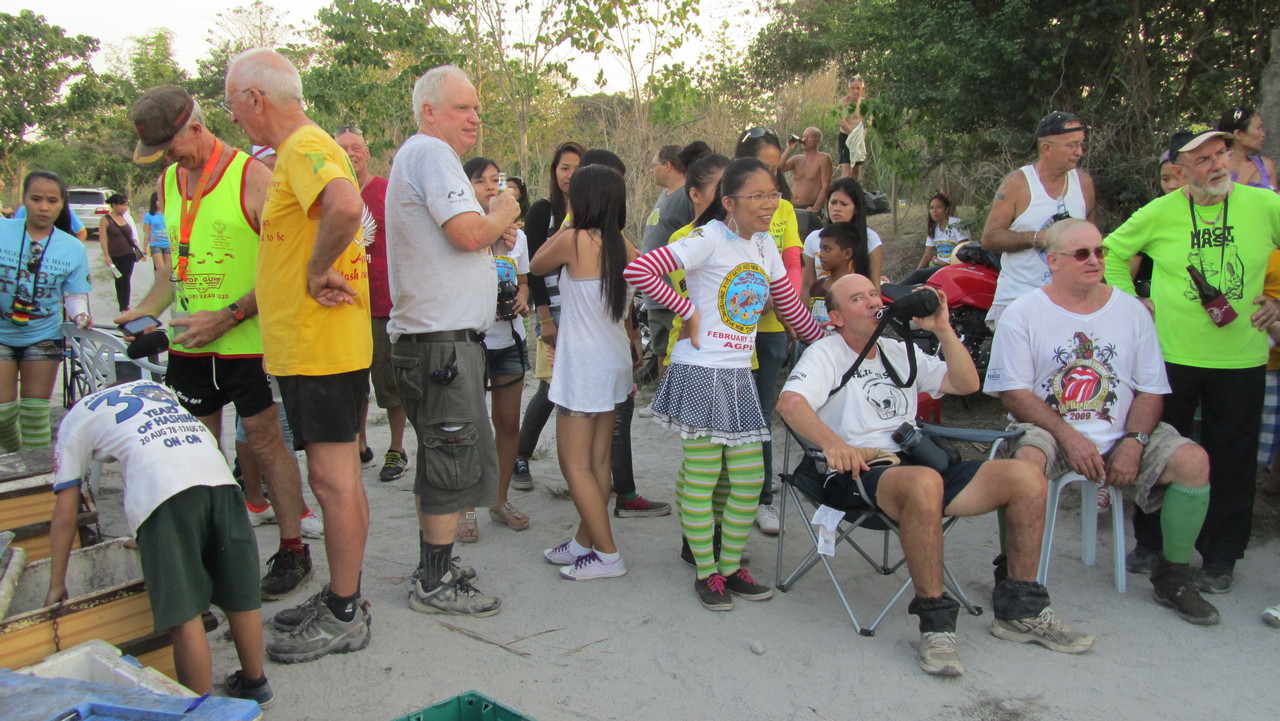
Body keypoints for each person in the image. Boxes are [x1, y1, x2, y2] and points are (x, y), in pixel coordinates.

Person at [778, 273, 1093, 676]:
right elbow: (791, 403)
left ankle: (1022, 610)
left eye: (874, 293)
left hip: (916, 462)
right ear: (836, 317)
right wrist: (834, 444)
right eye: (858, 298)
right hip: (858, 472)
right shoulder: (826, 353)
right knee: (925, 481)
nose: (873, 301)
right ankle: (936, 625)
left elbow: (966, 383)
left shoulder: (898, 349)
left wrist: (943, 329)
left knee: (1027, 478)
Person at [123, 84, 313, 603]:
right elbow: (175, 271)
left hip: (247, 342)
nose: (169, 160)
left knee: (266, 442)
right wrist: (145, 310)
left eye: (171, 148)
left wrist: (228, 317)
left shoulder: (252, 176)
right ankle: (211, 555)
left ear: (196, 127)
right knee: (197, 449)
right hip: (189, 345)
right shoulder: (168, 182)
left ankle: (293, 550)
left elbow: (286, 268)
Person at [986, 218, 1219, 625]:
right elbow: (1015, 394)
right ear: (1053, 261)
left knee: (1193, 461)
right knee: (1024, 466)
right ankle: (1013, 577)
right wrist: (1070, 436)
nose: (1094, 260)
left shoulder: (1131, 311)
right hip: (1049, 429)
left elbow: (1150, 389)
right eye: (1082, 253)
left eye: (1100, 251)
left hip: (1122, 429)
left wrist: (1135, 440)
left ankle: (1173, 577)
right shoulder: (1022, 313)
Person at [225, 48, 373, 661]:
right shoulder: (300, 149)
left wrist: (315, 272)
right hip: (317, 346)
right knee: (338, 481)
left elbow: (345, 205)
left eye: (233, 107)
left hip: (321, 347)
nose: (236, 119)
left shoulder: (305, 146)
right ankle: (344, 595)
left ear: (255, 98)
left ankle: (343, 611)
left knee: (332, 482)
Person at [625, 157, 825, 610]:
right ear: (729, 202)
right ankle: (706, 573)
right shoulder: (709, 237)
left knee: (750, 479)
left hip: (737, 375)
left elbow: (790, 308)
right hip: (701, 371)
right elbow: (639, 271)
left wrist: (831, 339)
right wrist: (687, 310)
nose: (769, 204)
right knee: (703, 477)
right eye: (758, 196)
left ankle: (730, 568)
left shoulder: (764, 246)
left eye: (773, 194)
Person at [1103, 125, 1280, 593]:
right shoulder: (1160, 211)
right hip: (1170, 358)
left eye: (1221, 154)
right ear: (1181, 171)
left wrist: (1279, 301)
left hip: (1240, 358)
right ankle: (1151, 543)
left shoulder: (1264, 204)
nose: (1218, 164)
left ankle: (1221, 557)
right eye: (1204, 160)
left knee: (1233, 460)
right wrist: (1131, 303)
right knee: (1160, 452)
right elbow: (1112, 253)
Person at [386, 64, 520, 618]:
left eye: (477, 108)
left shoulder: (423, 156)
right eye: (462, 107)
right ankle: (435, 582)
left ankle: (433, 565)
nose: (474, 118)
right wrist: (500, 212)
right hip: (439, 344)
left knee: (441, 456)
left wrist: (488, 223)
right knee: (448, 459)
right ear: (429, 112)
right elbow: (467, 234)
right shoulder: (431, 153)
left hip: (436, 341)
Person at [45, 381, 272, 704]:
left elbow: (65, 515)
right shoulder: (153, 389)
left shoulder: (76, 419)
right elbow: (164, 447)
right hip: (218, 476)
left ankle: (199, 707)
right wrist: (146, 539)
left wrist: (56, 583)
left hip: (163, 492)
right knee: (239, 594)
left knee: (185, 610)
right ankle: (255, 684)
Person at [533, 165, 637, 579]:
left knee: (574, 464)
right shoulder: (624, 244)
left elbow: (536, 264)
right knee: (597, 461)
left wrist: (568, 222)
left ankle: (608, 556)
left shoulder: (573, 240)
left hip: (584, 368)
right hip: (612, 362)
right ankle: (584, 542)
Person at [734, 127, 805, 535]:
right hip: (734, 328)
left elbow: (792, 262)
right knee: (732, 412)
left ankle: (762, 499)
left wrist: (784, 304)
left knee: (761, 411)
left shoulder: (785, 209)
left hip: (773, 326)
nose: (772, 179)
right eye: (764, 167)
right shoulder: (728, 208)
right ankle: (732, 493)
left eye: (777, 170)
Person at [458, 156, 531, 540]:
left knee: (507, 423)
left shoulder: (517, 237)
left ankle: (499, 501)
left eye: (494, 180)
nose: (489, 186)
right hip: (472, 343)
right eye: (479, 180)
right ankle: (465, 507)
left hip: (509, 340)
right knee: (469, 426)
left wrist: (523, 297)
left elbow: (524, 281)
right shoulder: (460, 233)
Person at [335, 125, 410, 483]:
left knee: (388, 381)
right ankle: (359, 445)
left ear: (366, 153)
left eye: (356, 147)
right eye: (342, 148)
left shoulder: (385, 191)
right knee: (351, 384)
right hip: (341, 305)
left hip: (382, 304)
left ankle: (397, 448)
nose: (350, 153)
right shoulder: (328, 193)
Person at [0, 170, 92, 452]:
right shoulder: (3, 230)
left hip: (44, 336)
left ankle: (36, 472)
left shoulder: (73, 248)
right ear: (23, 199)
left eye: (52, 201)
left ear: (62, 204)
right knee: (2, 415)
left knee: (35, 415)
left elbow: (74, 295)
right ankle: (18, 458)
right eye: (36, 199)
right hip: (1, 335)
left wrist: (80, 315)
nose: (43, 207)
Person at [514, 141, 583, 491]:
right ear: (554, 172)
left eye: (576, 168)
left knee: (579, 388)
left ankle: (582, 469)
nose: (569, 175)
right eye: (563, 168)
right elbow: (533, 267)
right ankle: (520, 456)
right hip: (553, 310)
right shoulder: (543, 210)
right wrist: (544, 316)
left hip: (584, 313)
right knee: (550, 386)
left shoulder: (591, 210)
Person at [983, 111, 1096, 327]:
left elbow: (1092, 242)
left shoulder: (1084, 184)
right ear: (1047, 148)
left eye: (1081, 144)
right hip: (1020, 297)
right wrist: (1037, 238)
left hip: (1069, 301)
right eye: (1072, 145)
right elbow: (990, 238)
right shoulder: (1017, 184)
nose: (1079, 152)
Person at [639, 143, 695, 389]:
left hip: (673, 294)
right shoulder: (665, 194)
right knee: (661, 352)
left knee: (678, 355)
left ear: (668, 165)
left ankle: (679, 401)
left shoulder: (687, 196)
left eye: (654, 165)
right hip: (654, 294)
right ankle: (664, 402)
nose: (652, 170)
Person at [801, 177, 883, 303]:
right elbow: (806, 286)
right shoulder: (813, 238)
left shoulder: (870, 239)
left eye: (844, 204)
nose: (837, 208)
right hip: (819, 309)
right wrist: (803, 315)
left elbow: (875, 286)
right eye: (833, 202)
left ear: (856, 208)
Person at [806, 222, 869, 328]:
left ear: (847, 254)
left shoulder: (857, 290)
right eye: (820, 249)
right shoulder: (816, 286)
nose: (820, 255)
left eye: (827, 249)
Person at [903, 194, 969, 285]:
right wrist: (916, 273)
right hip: (938, 267)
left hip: (954, 267)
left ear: (947, 209)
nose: (934, 211)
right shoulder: (933, 228)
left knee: (919, 275)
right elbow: (927, 256)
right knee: (917, 277)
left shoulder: (957, 224)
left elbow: (965, 251)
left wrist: (947, 263)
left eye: (939, 207)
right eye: (931, 208)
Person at [98, 193, 140, 312]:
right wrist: (106, 255)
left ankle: (125, 306)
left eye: (126, 205)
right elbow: (103, 238)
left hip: (128, 254)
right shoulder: (105, 220)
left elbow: (133, 233)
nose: (125, 207)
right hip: (114, 255)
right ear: (114, 205)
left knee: (126, 279)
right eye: (122, 205)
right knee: (118, 279)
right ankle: (122, 304)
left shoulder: (126, 217)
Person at [1219, 106, 1277, 190]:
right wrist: (1242, 179)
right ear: (1238, 134)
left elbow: (1274, 198)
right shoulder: (1218, 167)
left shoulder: (1266, 166)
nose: (1263, 134)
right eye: (1258, 128)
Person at [781, 126, 833, 214]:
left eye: (810, 137)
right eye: (804, 136)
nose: (805, 139)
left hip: (810, 207)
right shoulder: (796, 159)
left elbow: (826, 186)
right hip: (792, 207)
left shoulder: (823, 158)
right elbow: (779, 168)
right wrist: (788, 149)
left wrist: (816, 208)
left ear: (818, 141)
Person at [837, 75, 871, 180]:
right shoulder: (844, 102)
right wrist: (853, 133)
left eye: (858, 88)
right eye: (852, 88)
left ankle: (853, 190)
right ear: (849, 89)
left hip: (859, 139)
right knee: (847, 173)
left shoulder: (865, 103)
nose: (855, 91)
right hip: (846, 137)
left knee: (856, 174)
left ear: (863, 89)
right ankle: (842, 189)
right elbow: (841, 121)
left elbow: (868, 121)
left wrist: (861, 135)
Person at [141, 192, 172, 277]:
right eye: (157, 200)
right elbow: (147, 232)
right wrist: (144, 248)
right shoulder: (149, 215)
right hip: (156, 244)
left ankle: (165, 285)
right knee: (160, 269)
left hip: (168, 244)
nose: (159, 202)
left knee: (168, 270)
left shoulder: (169, 213)